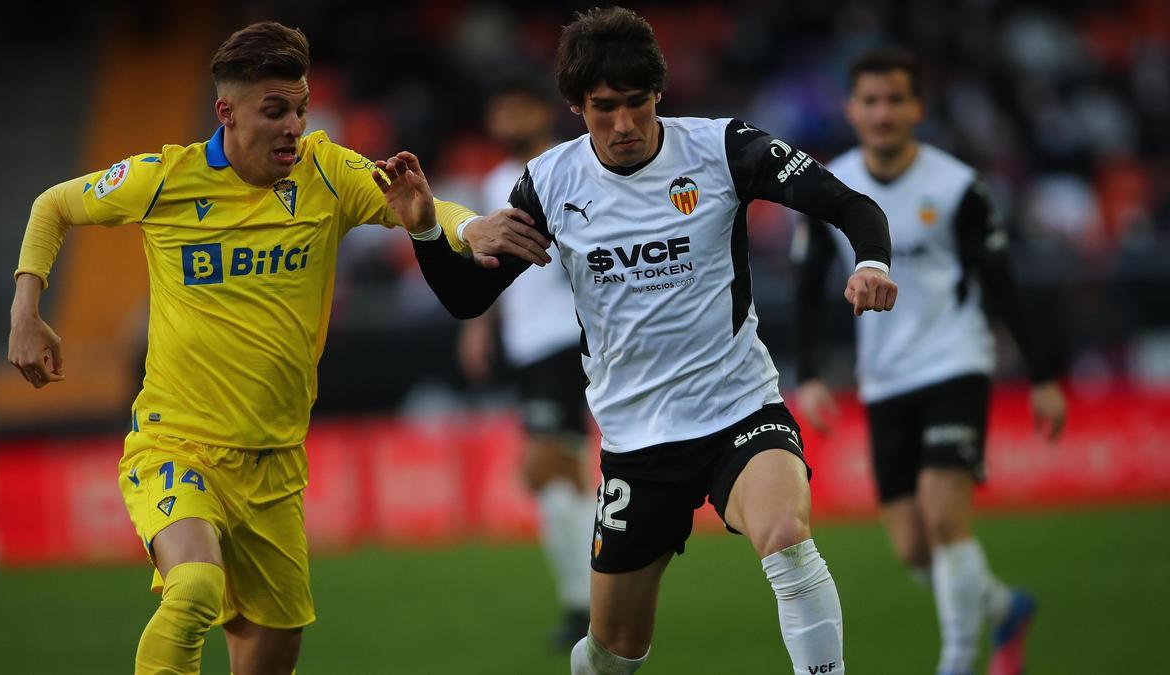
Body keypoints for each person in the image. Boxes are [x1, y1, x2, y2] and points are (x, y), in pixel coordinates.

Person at [374, 8, 897, 674]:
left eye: (637, 104)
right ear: (574, 105)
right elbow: (468, 296)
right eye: (604, 108)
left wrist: (872, 261)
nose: (623, 124)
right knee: (613, 652)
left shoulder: (723, 148)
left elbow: (850, 203)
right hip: (637, 443)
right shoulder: (550, 183)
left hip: (739, 407)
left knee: (788, 537)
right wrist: (424, 230)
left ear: (660, 93)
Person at [6, 21, 537, 675]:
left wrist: (468, 225)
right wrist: (26, 307)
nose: (294, 125)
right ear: (226, 112)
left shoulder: (328, 172)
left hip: (275, 467)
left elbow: (419, 206)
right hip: (179, 445)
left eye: (302, 108)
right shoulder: (165, 179)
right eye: (275, 110)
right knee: (194, 586)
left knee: (276, 647)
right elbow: (52, 205)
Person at [792, 47, 1068, 675]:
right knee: (914, 546)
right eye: (871, 100)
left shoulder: (956, 187)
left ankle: (957, 660)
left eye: (895, 100)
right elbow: (808, 286)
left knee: (946, 517)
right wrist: (807, 375)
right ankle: (1004, 607)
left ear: (917, 107)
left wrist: (1043, 376)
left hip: (955, 362)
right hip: (884, 378)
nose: (883, 112)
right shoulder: (829, 187)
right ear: (851, 109)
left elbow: (1003, 284)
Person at [457, 79, 596, 648]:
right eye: (498, 110)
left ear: (540, 112)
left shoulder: (568, 168)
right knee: (563, 475)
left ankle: (587, 603)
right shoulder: (494, 181)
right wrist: (478, 329)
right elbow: (488, 265)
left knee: (543, 466)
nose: (505, 119)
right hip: (526, 343)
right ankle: (588, 602)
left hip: (565, 338)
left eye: (515, 108)